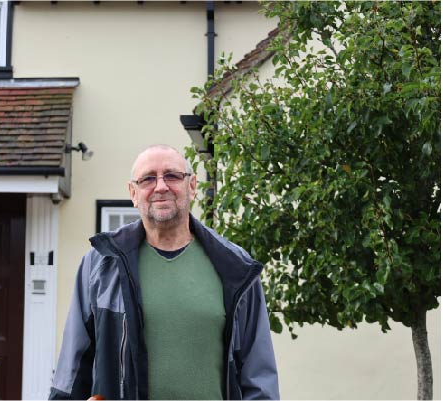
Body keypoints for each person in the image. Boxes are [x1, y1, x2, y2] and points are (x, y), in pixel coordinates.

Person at [49, 144, 279, 400]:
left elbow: (258, 376)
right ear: (133, 193)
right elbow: (72, 367)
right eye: (148, 178)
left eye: (171, 175)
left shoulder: (235, 267)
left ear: (191, 187)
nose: (160, 187)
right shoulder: (101, 265)